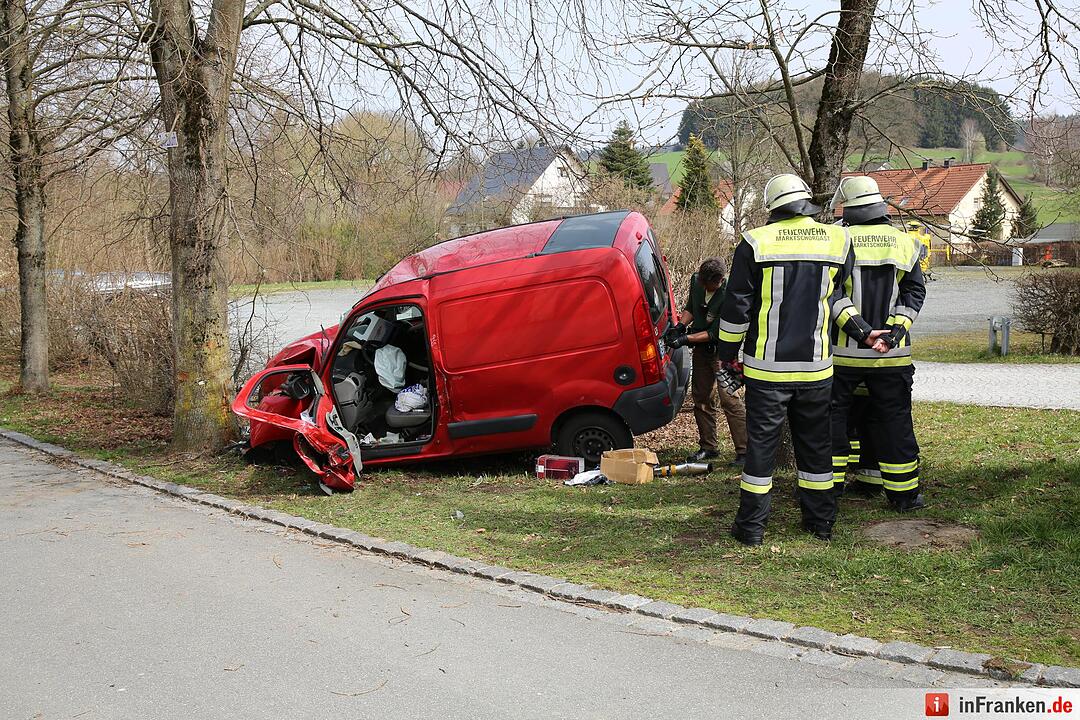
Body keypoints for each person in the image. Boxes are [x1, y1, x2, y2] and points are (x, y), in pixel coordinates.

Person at [716, 174, 886, 545]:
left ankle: (751, 528)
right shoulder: (839, 239)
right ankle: (820, 524)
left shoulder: (754, 242)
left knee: (761, 451)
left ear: (774, 208)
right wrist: (862, 330)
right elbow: (837, 297)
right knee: (816, 448)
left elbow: (736, 309)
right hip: (817, 370)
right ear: (805, 202)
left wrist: (726, 356)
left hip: (767, 371)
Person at [828, 176, 927, 511]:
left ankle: (830, 491)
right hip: (892, 357)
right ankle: (903, 497)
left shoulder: (837, 240)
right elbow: (914, 293)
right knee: (894, 422)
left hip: (842, 357)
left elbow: (831, 293)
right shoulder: (905, 243)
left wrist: (859, 330)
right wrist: (893, 333)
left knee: (834, 423)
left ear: (850, 207)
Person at [666, 258, 747, 466]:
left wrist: (685, 340)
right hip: (702, 351)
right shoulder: (696, 281)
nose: (703, 286)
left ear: (719, 281)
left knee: (730, 398)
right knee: (701, 396)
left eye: (707, 284)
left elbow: (714, 333)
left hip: (726, 351)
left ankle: (745, 451)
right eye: (701, 281)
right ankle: (708, 447)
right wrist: (680, 327)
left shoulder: (731, 293)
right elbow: (691, 307)